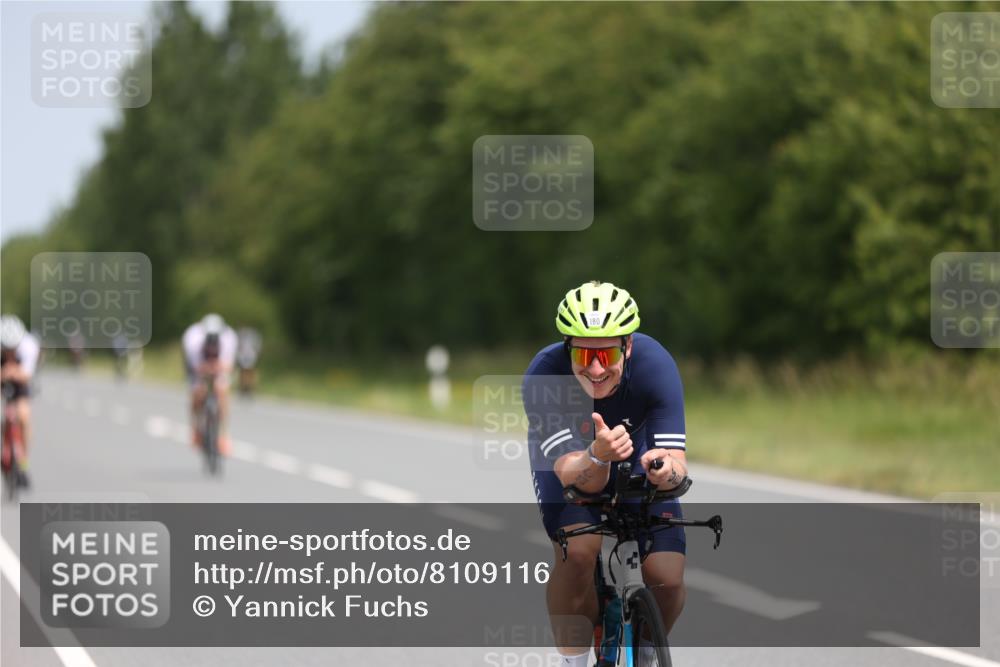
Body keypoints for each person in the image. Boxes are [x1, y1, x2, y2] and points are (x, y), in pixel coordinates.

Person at [524, 281, 689, 667]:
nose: (595, 368)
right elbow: (574, 477)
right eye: (583, 353)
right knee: (579, 553)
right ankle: (575, 661)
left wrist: (662, 471)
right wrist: (598, 456)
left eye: (607, 353)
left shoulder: (654, 364)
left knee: (668, 577)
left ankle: (646, 652)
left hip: (637, 456)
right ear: (567, 348)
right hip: (573, 465)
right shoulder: (545, 376)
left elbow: (676, 464)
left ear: (627, 346)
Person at [182, 313, 237, 456]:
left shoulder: (229, 338)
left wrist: (219, 369)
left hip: (219, 366)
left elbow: (229, 365)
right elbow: (194, 366)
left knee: (222, 392)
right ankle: (195, 429)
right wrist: (204, 370)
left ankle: (223, 435)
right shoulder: (193, 339)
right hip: (197, 364)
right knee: (197, 392)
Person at [1, 315, 41, 487]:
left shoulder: (29, 345)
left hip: (20, 383)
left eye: (13, 348)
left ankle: (23, 462)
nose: (10, 351)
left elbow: (26, 375)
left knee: (23, 416)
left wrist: (11, 372)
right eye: (6, 348)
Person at [235, 327, 262, 395]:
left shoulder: (253, 336)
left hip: (251, 355)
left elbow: (257, 346)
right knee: (242, 371)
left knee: (250, 372)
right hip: (242, 355)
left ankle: (250, 387)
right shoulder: (240, 335)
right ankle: (243, 387)